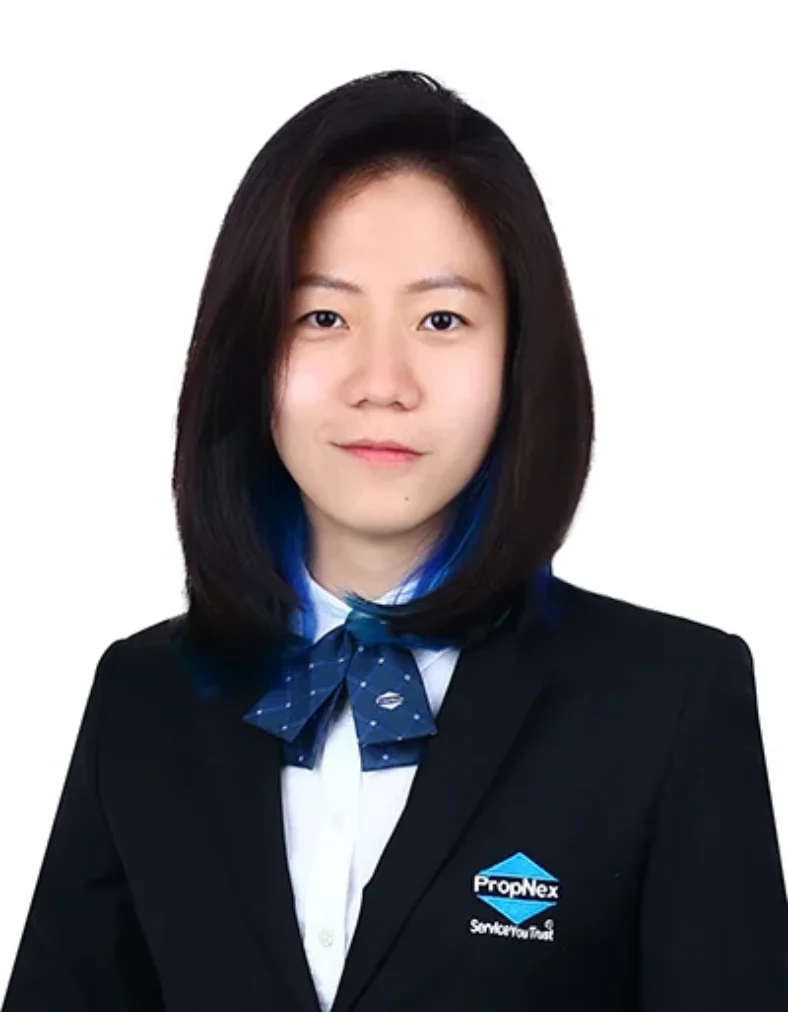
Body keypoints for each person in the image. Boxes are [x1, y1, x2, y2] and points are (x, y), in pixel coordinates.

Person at [3, 68, 787, 1012]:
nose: (383, 381)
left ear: (518, 357)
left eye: (441, 319)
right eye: (323, 316)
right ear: (249, 352)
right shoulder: (144, 699)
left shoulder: (669, 700)